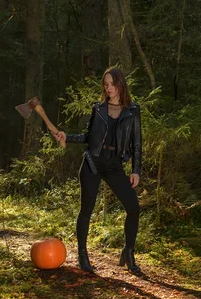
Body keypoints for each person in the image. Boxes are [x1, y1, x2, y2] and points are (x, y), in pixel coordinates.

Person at [54, 67, 142, 274]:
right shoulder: (99, 109)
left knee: (133, 208)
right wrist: (67, 137)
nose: (109, 88)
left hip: (114, 166)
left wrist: (136, 169)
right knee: (86, 210)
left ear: (121, 84)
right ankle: (82, 255)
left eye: (112, 84)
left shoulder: (133, 111)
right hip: (92, 163)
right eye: (106, 84)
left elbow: (137, 143)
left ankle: (128, 252)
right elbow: (88, 136)